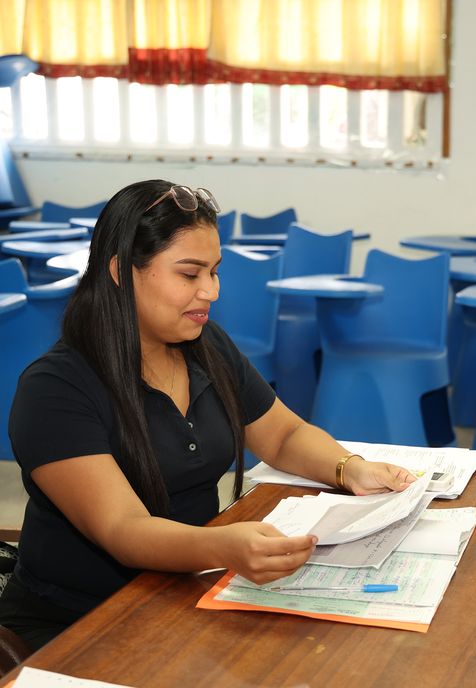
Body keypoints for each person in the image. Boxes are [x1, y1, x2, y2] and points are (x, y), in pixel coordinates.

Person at [0, 180, 416, 650]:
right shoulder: (56, 389)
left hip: (181, 593)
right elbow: (123, 529)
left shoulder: (205, 346)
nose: (211, 291)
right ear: (120, 271)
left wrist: (349, 468)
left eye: (215, 272)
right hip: (80, 623)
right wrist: (223, 547)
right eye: (190, 274)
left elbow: (282, 435)